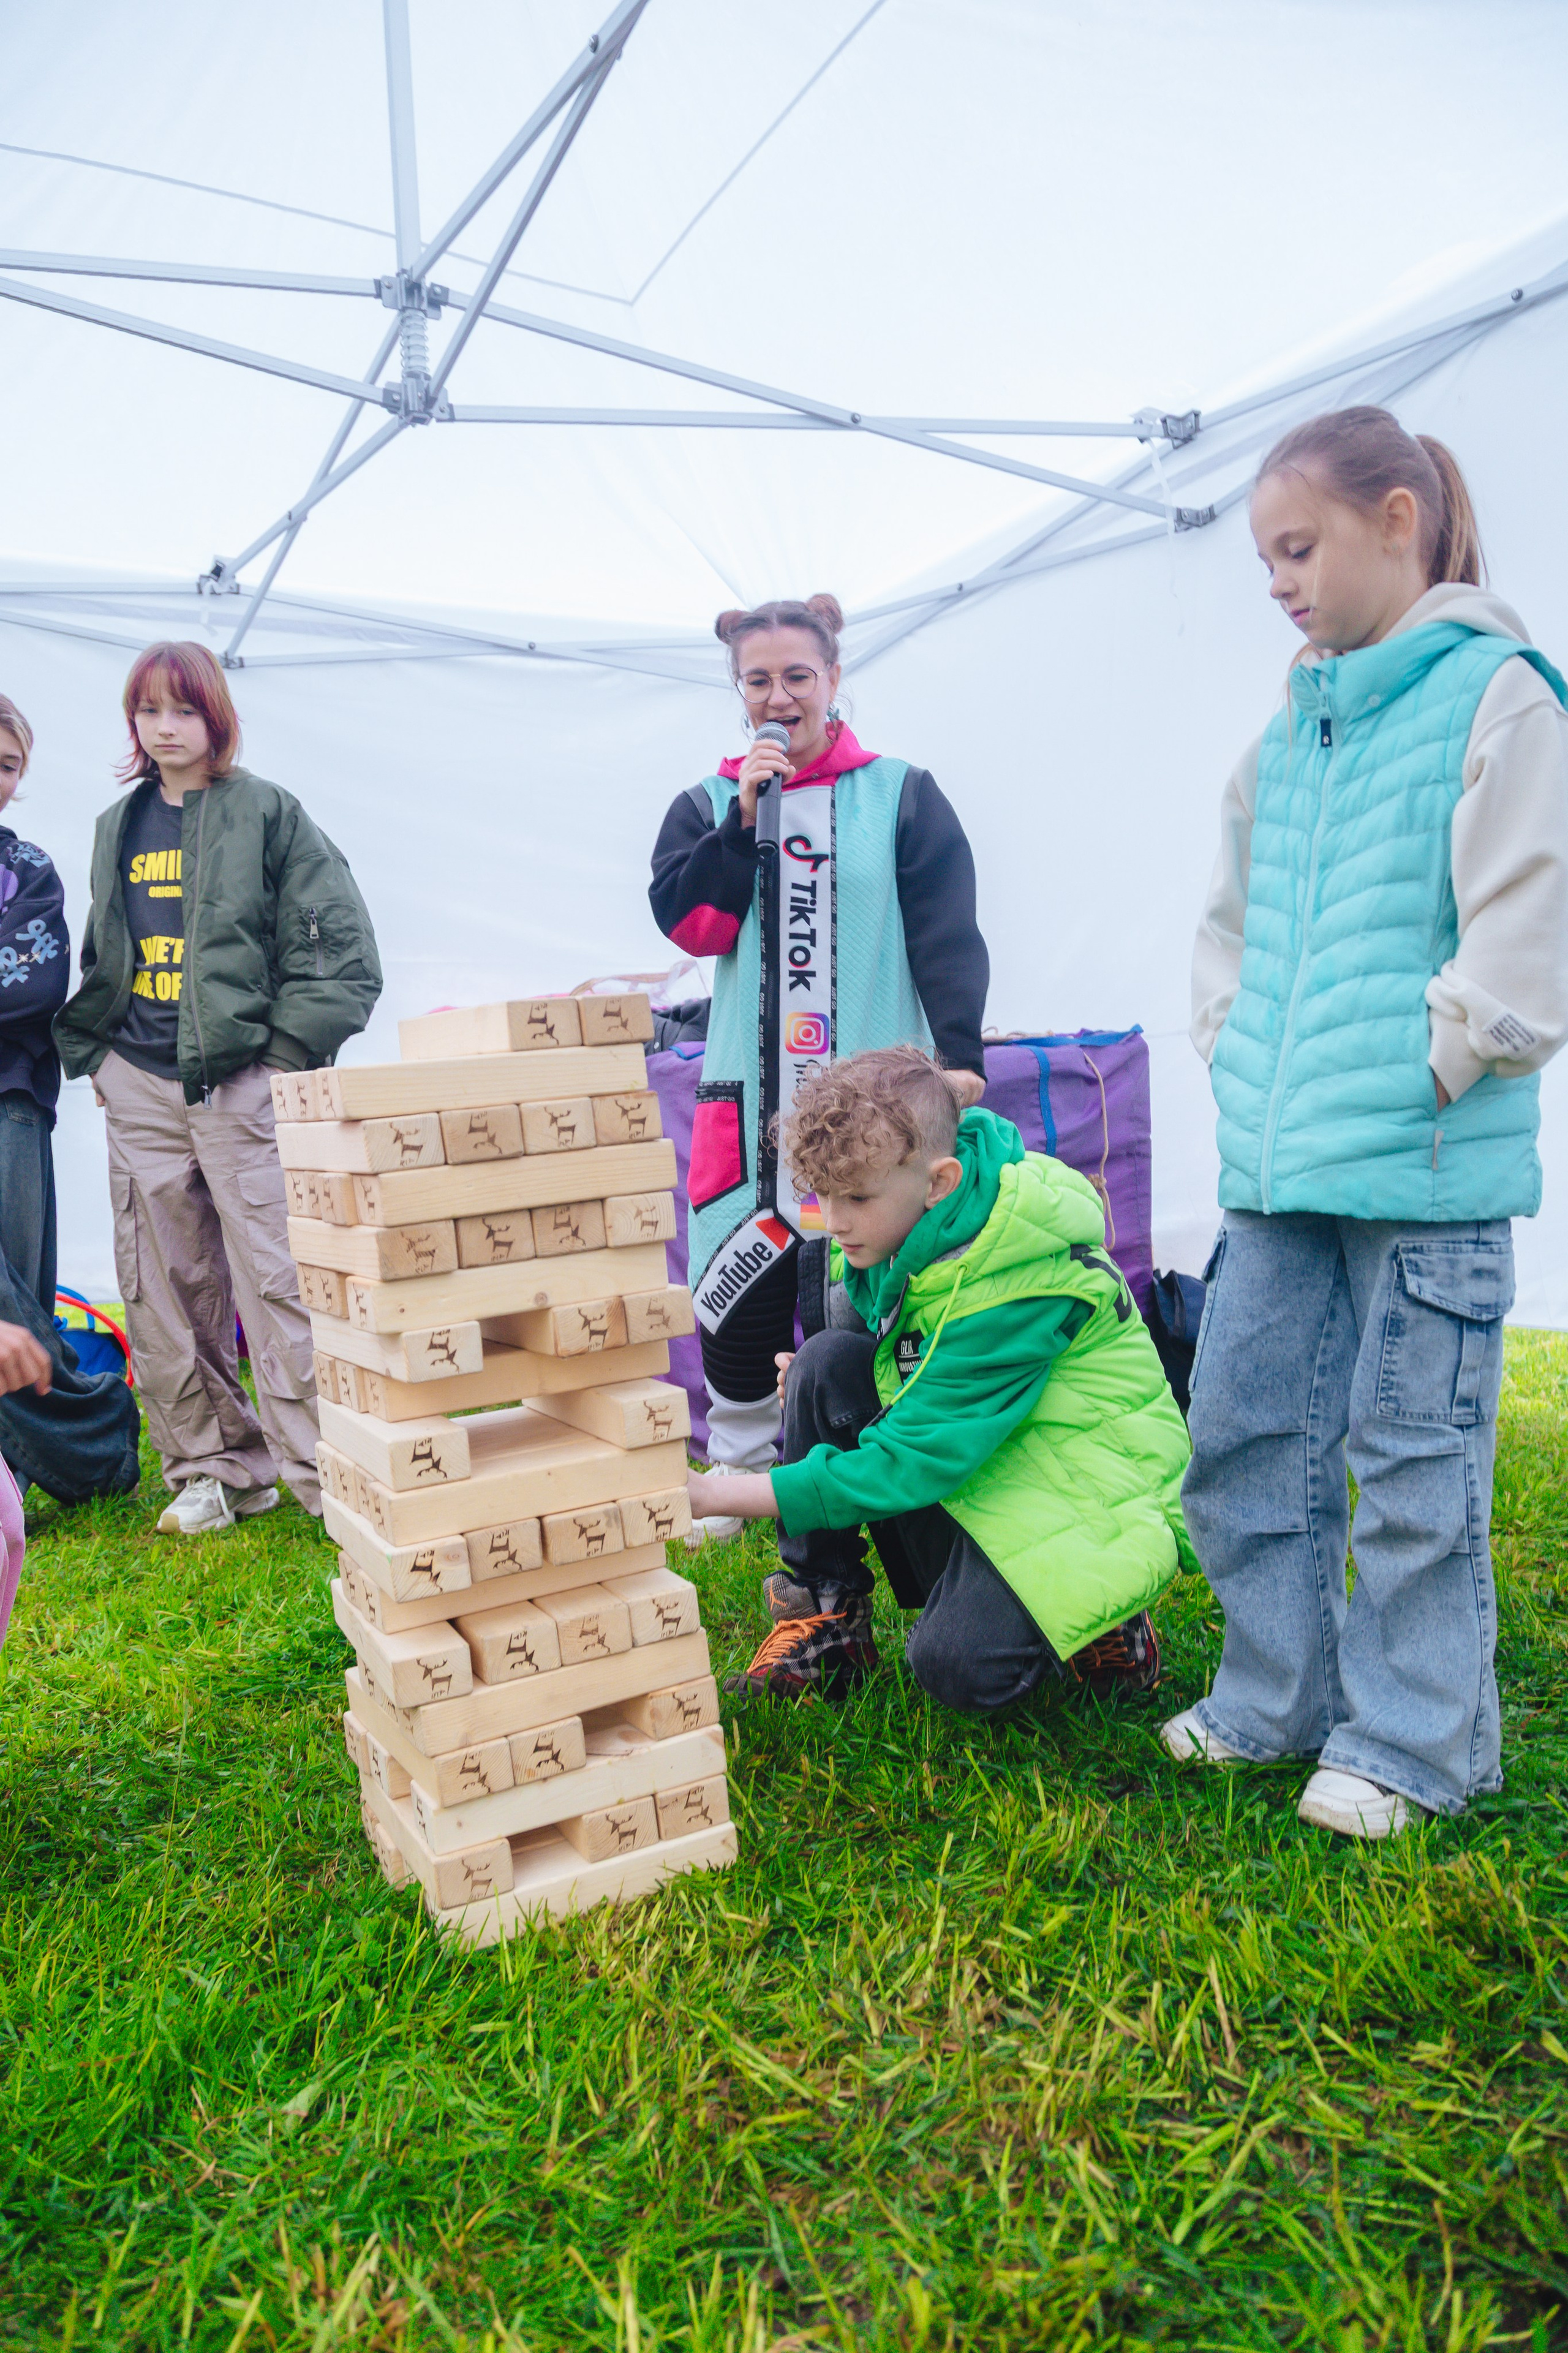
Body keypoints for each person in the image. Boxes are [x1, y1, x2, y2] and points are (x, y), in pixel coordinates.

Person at [1166, 406, 1568, 1840]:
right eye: (1264, 557)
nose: (1277, 580)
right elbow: (1224, 924)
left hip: (1423, 1166)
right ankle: (1276, 1693)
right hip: (1278, 1171)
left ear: (1393, 520)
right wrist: (1234, 1057)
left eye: (1297, 546)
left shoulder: (1500, 692)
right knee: (1243, 1428)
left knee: (1408, 1455)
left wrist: (1436, 1066)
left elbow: (1528, 921)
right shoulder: (1285, 733)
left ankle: (1412, 1740)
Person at [686, 1045, 1191, 1704]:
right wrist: (820, 1380)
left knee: (955, 1664)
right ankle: (827, 1617)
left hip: (1084, 1496)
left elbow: (910, 1459)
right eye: (825, 1196)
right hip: (998, 1452)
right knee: (824, 1364)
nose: (835, 1222)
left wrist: (713, 1496)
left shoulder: (1013, 1280)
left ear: (940, 1181)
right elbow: (902, 1364)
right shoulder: (907, 1222)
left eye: (857, 1197)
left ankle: (1109, 1620)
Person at [650, 594, 990, 1536]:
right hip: (749, 1097)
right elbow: (692, 925)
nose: (779, 695)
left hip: (870, 1090)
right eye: (758, 679)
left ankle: (870, 1450)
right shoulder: (711, 803)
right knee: (738, 1259)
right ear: (737, 690)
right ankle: (740, 1460)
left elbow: (948, 934)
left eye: (797, 675)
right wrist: (742, 822)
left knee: (865, 1265)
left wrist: (960, 1059)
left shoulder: (900, 793)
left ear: (834, 679)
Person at [55, 641, 382, 1536]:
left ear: (216, 718)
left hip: (241, 1080)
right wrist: (106, 1059)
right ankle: (214, 1470)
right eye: (149, 712)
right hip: (141, 1084)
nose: (166, 729)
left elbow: (339, 951)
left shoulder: (268, 811)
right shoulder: (115, 825)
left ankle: (327, 1471)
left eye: (183, 711)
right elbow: (106, 948)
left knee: (277, 1279)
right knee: (164, 1283)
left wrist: (280, 1057)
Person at [0, 695, 69, 1316]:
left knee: (14, 1305)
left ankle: (23, 1418)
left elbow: (35, 985)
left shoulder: (28, 868)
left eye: (8, 764)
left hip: (9, 1100)